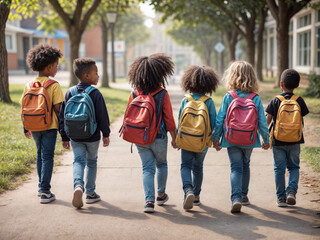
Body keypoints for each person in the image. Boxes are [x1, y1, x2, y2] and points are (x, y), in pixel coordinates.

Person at [213, 61, 270, 213]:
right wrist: (266, 139)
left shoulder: (229, 96)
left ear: (231, 77)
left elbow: (220, 119)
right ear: (252, 77)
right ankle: (244, 196)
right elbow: (262, 122)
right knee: (246, 165)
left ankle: (236, 198)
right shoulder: (255, 98)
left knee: (236, 168)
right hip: (249, 139)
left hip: (231, 138)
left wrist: (215, 138)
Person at [126, 54, 177, 213]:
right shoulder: (162, 93)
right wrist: (175, 138)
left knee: (147, 168)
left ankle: (149, 201)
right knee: (161, 164)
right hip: (159, 136)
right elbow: (169, 119)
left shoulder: (135, 93)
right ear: (160, 74)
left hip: (141, 137)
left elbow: (128, 115)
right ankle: (160, 195)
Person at [59, 58, 110, 209]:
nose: (98, 76)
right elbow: (102, 116)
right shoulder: (95, 93)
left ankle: (78, 186)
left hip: (74, 135)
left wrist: (64, 135)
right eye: (96, 73)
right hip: (92, 135)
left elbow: (62, 116)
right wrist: (105, 134)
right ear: (87, 76)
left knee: (78, 161)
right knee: (92, 161)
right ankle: (90, 193)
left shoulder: (70, 92)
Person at [20, 44, 64, 203]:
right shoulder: (53, 85)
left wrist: (25, 127)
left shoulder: (28, 85)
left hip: (34, 125)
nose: (57, 68)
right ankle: (45, 191)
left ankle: (41, 187)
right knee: (47, 157)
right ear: (49, 67)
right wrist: (64, 131)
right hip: (49, 127)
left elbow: (24, 107)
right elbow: (59, 110)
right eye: (57, 66)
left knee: (39, 154)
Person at [177, 65, 219, 210]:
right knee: (198, 167)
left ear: (188, 82)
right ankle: (196, 196)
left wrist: (177, 139)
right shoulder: (209, 102)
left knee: (185, 165)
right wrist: (215, 139)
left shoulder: (186, 100)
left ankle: (187, 189)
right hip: (202, 141)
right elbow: (214, 123)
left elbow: (180, 122)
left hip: (186, 140)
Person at [266, 69, 309, 207]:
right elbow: (301, 120)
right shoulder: (299, 100)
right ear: (296, 85)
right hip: (295, 140)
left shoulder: (276, 100)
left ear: (281, 84)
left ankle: (281, 198)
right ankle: (291, 191)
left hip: (279, 141)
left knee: (279, 169)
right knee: (294, 167)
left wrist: (264, 135)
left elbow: (268, 119)